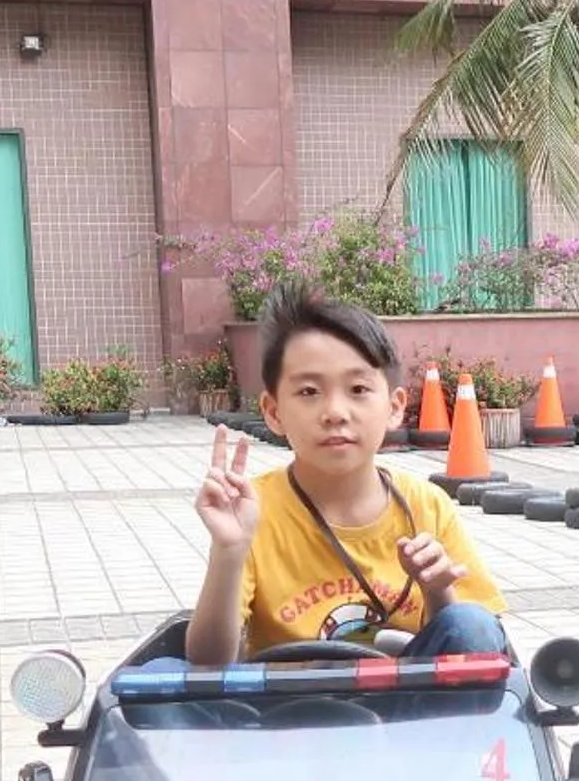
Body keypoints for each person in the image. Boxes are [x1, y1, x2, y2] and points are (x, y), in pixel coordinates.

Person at [185, 282, 509, 668]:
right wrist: (229, 551)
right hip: (288, 716)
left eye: (357, 389)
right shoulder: (253, 510)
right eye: (308, 392)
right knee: (158, 678)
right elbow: (207, 664)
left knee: (472, 622)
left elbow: (477, 644)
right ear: (273, 412)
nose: (335, 412)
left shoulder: (425, 505)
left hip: (409, 715)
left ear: (394, 407)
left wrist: (438, 592)